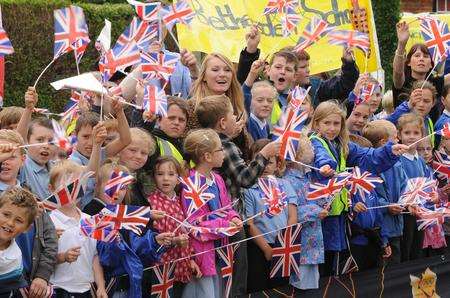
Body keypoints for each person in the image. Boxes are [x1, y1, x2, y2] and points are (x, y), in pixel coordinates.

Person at [309, 101, 408, 275]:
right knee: (324, 262)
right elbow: (321, 155)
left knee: (338, 261)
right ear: (316, 123)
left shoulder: (342, 144)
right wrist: (325, 166)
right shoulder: (315, 141)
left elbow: (367, 156)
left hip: (339, 212)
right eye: (327, 123)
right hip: (321, 213)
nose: (332, 128)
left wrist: (390, 151)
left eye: (336, 123)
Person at [194, 94, 280, 296]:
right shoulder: (225, 145)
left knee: (220, 279)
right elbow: (245, 178)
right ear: (223, 122)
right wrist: (264, 154)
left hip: (212, 223)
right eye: (232, 115)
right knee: (236, 276)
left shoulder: (205, 142)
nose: (236, 119)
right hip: (231, 222)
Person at [95, 161, 172, 298]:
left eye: (123, 187)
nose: (117, 192)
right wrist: (114, 242)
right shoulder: (93, 211)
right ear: (98, 185)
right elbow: (104, 258)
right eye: (111, 185)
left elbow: (135, 246)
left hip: (130, 285)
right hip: (108, 286)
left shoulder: (127, 215)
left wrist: (155, 240)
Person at [181, 129, 242, 298]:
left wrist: (234, 218)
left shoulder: (218, 178)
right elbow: (194, 224)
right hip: (202, 252)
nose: (223, 153)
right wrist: (224, 226)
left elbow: (226, 207)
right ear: (207, 156)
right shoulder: (191, 184)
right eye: (220, 149)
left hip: (220, 249)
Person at [47, 160, 107, 298]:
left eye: (77, 185)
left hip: (85, 289)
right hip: (57, 289)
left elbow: (94, 256)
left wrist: (101, 286)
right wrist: (64, 257)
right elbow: (42, 259)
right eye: (65, 187)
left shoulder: (89, 220)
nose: (71, 192)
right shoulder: (49, 221)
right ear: (51, 189)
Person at [244, 139, 297, 292]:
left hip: (283, 246)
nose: (265, 166)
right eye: (261, 161)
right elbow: (250, 223)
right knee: (258, 288)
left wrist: (284, 242)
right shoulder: (249, 189)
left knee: (282, 289)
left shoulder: (285, 184)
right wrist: (266, 248)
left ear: (277, 165)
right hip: (259, 248)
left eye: (270, 162)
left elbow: (292, 215)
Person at [147, 156, 200, 297]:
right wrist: (174, 241)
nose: (165, 178)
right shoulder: (151, 203)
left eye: (171, 174)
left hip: (181, 265)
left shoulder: (181, 201)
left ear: (178, 178)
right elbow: (153, 239)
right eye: (160, 174)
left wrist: (191, 260)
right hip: (161, 268)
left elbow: (187, 232)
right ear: (154, 177)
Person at [188, 52, 252, 161]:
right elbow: (193, 149)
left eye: (227, 70)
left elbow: (246, 152)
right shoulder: (192, 107)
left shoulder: (237, 107)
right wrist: (227, 135)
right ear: (203, 76)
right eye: (215, 70)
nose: (222, 74)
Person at [70, 98, 131, 208]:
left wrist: (119, 112)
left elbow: (125, 140)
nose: (90, 142)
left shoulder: (102, 152)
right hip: (84, 213)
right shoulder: (72, 161)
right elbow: (91, 175)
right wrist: (97, 144)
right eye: (85, 136)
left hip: (105, 209)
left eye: (94, 136)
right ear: (75, 134)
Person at [283, 133, 326, 291]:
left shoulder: (308, 177)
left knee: (312, 284)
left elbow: (314, 199)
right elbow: (290, 212)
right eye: (309, 147)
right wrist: (316, 210)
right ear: (298, 154)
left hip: (313, 243)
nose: (313, 149)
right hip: (301, 245)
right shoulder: (288, 180)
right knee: (300, 285)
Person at [362, 120, 407, 265]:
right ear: (383, 143)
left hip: (396, 227)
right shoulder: (368, 169)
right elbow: (369, 198)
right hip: (380, 230)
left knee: (396, 265)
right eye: (394, 138)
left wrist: (407, 201)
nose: (398, 140)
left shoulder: (397, 163)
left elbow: (405, 186)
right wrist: (386, 206)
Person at [392, 21, 449, 121]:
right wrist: (401, 44)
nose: (421, 59)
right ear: (408, 62)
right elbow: (397, 72)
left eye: (426, 56)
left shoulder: (435, 83)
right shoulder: (402, 82)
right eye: (417, 55)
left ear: (431, 64)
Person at [396, 113, 434, 262]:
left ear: (421, 135)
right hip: (405, 212)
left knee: (417, 249)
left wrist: (432, 196)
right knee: (406, 248)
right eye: (407, 133)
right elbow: (399, 186)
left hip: (420, 211)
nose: (411, 137)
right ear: (399, 134)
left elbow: (426, 183)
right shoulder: (398, 159)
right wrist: (407, 203)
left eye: (416, 133)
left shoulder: (420, 160)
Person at [0, 187, 38, 296]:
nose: (10, 223)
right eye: (6, 215)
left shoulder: (15, 258)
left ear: (27, 228)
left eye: (18, 220)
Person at [387, 80, 436, 147]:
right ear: (411, 99)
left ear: (433, 103)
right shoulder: (402, 118)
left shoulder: (429, 120)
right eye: (418, 99)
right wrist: (408, 105)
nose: (421, 104)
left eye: (426, 101)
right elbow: (385, 124)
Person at [118, 127, 156, 206]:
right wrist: (146, 214)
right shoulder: (112, 176)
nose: (139, 156)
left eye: (144, 153)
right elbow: (110, 209)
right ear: (119, 149)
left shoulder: (141, 180)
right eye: (132, 150)